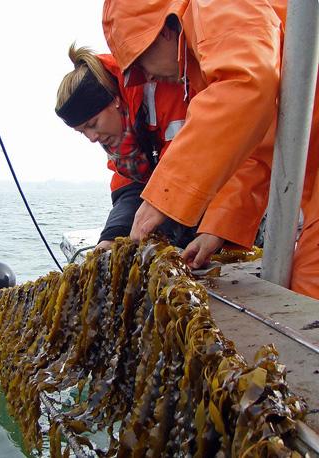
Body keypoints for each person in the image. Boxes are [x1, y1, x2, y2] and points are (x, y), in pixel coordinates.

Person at [102, 0, 319, 299]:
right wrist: (216, 228)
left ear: (163, 32)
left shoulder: (217, 6)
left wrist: (161, 199)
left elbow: (248, 85)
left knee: (310, 293)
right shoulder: (210, 57)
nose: (148, 78)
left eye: (140, 65)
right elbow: (257, 146)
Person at [55, 44, 197, 250]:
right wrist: (113, 235)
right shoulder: (120, 140)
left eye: (92, 124)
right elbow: (129, 187)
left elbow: (185, 167)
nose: (92, 138)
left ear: (114, 101)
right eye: (82, 132)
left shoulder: (163, 93)